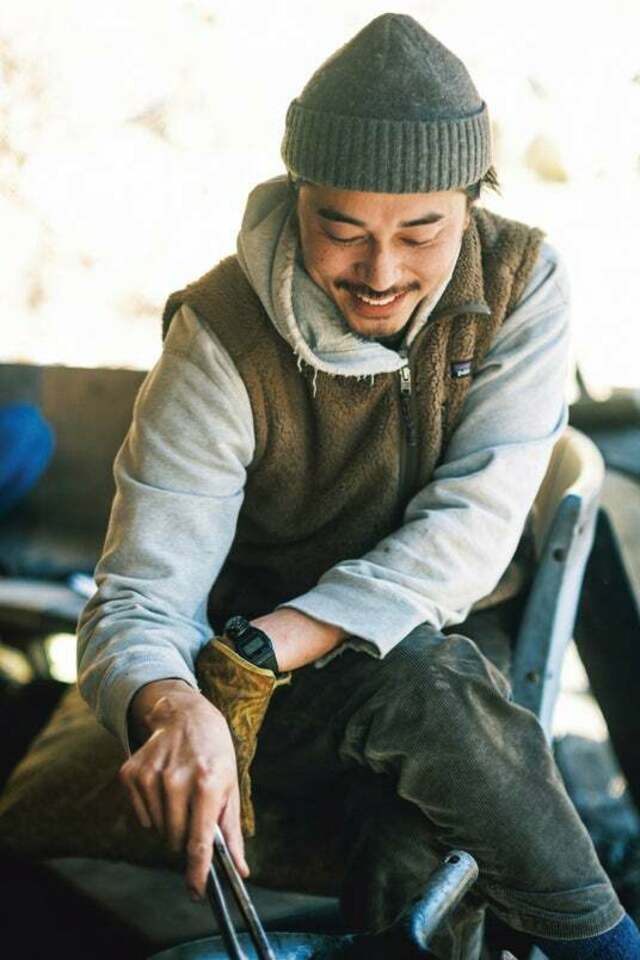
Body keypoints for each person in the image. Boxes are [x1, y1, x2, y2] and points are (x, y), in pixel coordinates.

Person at [75, 14, 640, 959]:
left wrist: (272, 643)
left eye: (422, 233)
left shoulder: (522, 281)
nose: (380, 273)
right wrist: (174, 703)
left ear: (473, 204)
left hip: (451, 645)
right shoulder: (219, 341)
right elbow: (138, 598)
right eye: (340, 231)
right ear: (296, 199)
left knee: (419, 837)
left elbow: (471, 529)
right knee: (426, 696)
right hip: (276, 702)